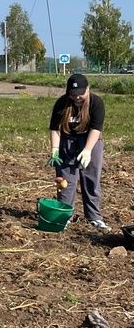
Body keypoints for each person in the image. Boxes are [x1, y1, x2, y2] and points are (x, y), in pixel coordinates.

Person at [49, 73, 108, 230]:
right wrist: (55, 149)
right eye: (73, 94)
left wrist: (88, 150)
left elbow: (96, 128)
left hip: (90, 141)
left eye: (80, 93)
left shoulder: (96, 102)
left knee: (91, 180)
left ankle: (94, 217)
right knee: (65, 182)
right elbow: (55, 128)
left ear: (87, 89)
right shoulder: (62, 103)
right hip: (67, 142)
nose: (77, 97)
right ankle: (64, 216)